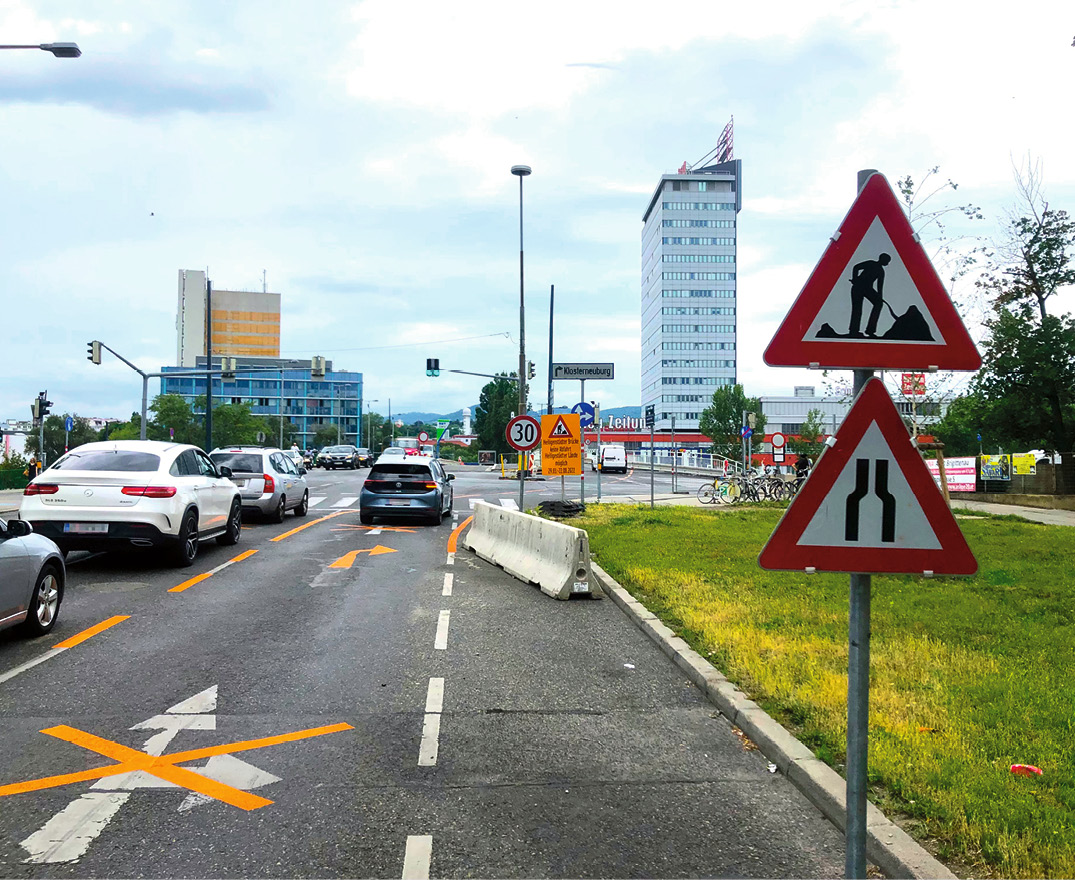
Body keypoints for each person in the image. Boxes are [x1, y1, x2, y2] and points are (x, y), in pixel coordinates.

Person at [847, 252, 891, 338]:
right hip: (858, 287)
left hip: (868, 289)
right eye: (887, 261)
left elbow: (880, 286)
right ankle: (854, 331)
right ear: (883, 259)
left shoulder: (881, 271)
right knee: (857, 309)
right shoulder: (871, 263)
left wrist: (880, 297)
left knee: (878, 304)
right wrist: (855, 279)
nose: (887, 263)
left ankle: (870, 330)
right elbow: (856, 267)